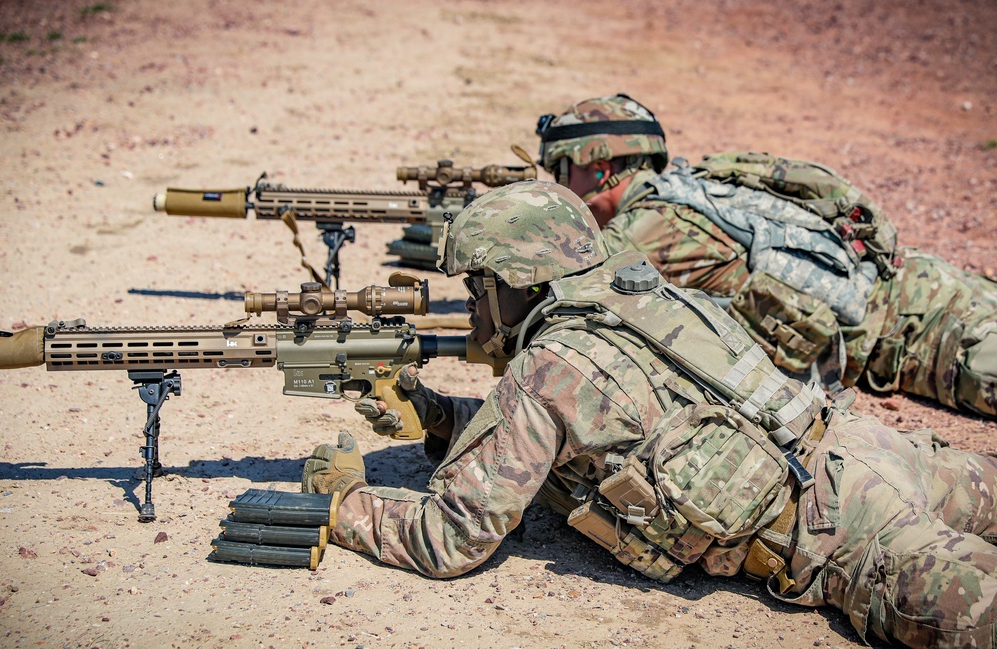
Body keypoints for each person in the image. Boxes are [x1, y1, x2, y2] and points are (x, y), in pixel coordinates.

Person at [302, 180, 997, 649]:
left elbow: (449, 537)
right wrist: (440, 415)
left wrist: (344, 505)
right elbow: (591, 423)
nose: (475, 308)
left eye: (479, 286)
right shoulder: (639, 290)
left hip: (846, 536)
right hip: (872, 448)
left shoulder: (547, 367)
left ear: (518, 283)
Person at [534, 93, 997, 419]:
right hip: (925, 281)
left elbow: (552, 295)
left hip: (926, 337)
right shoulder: (695, 187)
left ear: (601, 168)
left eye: (559, 169)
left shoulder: (647, 230)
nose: (557, 184)